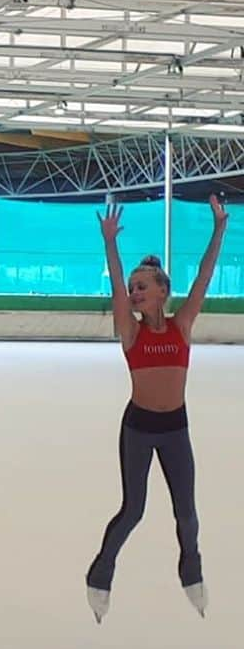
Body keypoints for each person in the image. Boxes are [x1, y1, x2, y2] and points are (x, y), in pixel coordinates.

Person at [86, 192, 228, 623]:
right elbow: (113, 282)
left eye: (141, 286)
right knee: (134, 509)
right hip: (139, 427)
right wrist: (110, 243)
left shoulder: (183, 325)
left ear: (163, 291)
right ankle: (101, 572)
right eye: (131, 289)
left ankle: (192, 570)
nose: (133, 292)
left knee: (186, 510)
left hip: (175, 428)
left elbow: (204, 274)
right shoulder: (130, 333)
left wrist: (220, 228)